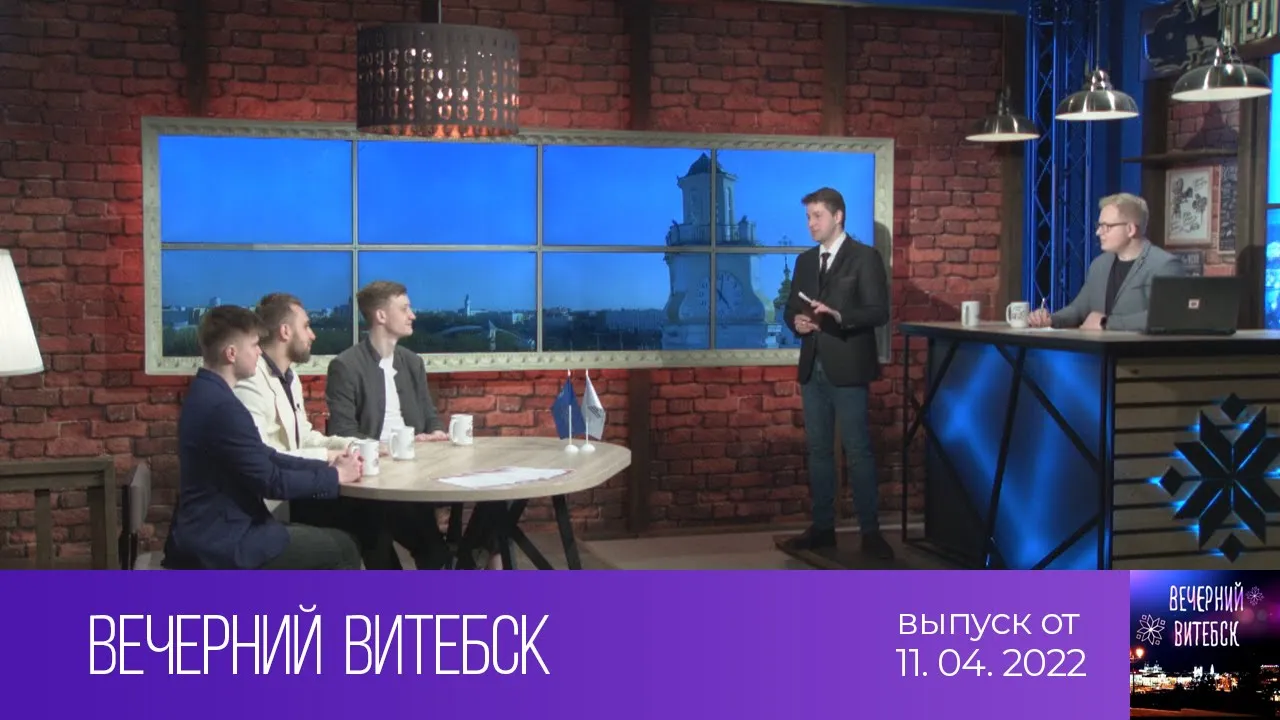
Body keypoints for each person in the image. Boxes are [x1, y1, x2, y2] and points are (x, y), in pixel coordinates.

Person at [163, 305, 363, 570]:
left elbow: (267, 456)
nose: (259, 352)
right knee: (344, 548)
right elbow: (270, 481)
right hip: (224, 541)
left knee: (336, 532)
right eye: (254, 345)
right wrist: (335, 476)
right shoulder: (224, 408)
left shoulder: (208, 393)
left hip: (217, 529)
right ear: (231, 354)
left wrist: (327, 466)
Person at [781, 187, 894, 560]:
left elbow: (878, 312)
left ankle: (870, 533)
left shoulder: (864, 258)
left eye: (817, 216)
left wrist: (839, 316)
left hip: (848, 365)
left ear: (838, 216)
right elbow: (790, 308)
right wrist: (796, 323)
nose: (811, 224)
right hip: (812, 367)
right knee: (818, 451)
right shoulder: (804, 262)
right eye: (808, 217)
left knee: (858, 450)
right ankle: (822, 528)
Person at [325, 281, 460, 570]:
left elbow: (429, 415)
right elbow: (342, 432)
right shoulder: (345, 366)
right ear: (381, 316)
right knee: (380, 537)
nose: (413, 315)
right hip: (374, 476)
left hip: (416, 470)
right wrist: (388, 448)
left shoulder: (412, 362)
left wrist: (436, 433)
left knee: (437, 551)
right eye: (405, 308)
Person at [1028, 193, 1185, 331]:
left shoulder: (1164, 265)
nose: (1098, 232)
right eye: (1099, 226)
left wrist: (1107, 323)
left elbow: (1167, 317)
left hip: (1142, 354)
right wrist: (1051, 320)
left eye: (1106, 226)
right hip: (1099, 353)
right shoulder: (1099, 265)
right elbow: (1078, 309)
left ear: (1130, 229)